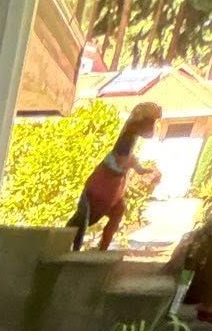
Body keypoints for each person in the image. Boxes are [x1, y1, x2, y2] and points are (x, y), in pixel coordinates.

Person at [69, 102, 162, 252]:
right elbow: (121, 158)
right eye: (150, 122)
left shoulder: (131, 138)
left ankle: (102, 249)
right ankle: (81, 248)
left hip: (112, 186)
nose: (152, 126)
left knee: (117, 211)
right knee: (83, 219)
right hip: (103, 184)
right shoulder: (128, 137)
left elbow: (127, 158)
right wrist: (136, 167)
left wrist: (140, 169)